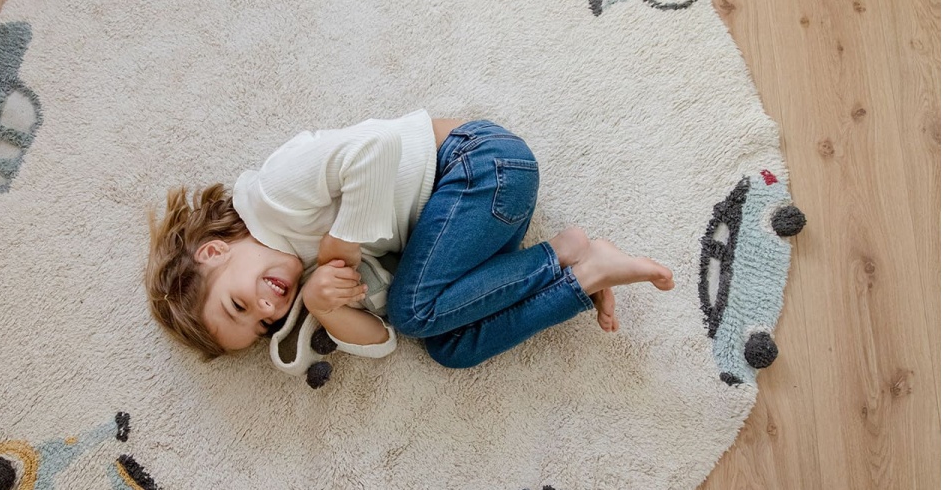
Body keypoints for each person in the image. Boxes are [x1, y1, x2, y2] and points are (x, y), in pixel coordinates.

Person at [144, 110, 675, 367]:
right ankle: (580, 275)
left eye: (239, 303)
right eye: (262, 325)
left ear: (214, 251)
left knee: (414, 309)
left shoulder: (274, 192)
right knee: (448, 346)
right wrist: (324, 309)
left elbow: (374, 145)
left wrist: (341, 246)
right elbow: (383, 342)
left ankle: (563, 256)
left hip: (478, 164)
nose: (267, 308)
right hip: (476, 222)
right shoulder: (297, 271)